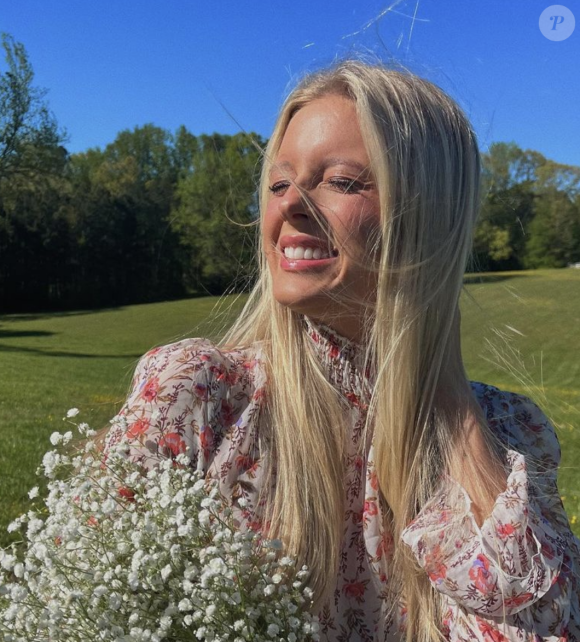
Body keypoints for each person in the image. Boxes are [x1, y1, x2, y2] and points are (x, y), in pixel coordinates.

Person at [103, 60, 580, 641]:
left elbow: (545, 627)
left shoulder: (511, 433)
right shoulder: (198, 395)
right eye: (278, 183)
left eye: (341, 181)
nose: (290, 205)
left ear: (428, 218)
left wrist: (445, 395)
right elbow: (80, 606)